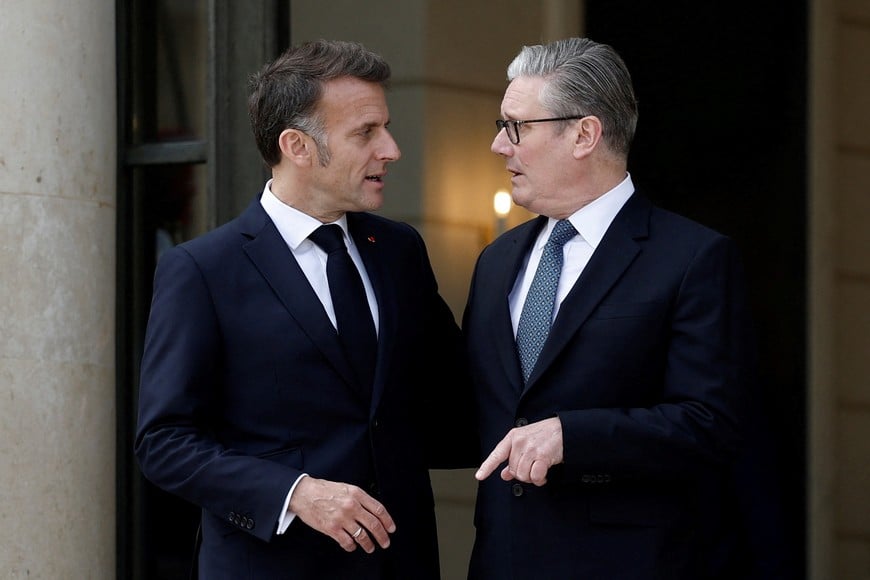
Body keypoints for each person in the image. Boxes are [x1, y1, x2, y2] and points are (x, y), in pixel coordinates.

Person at [135, 39, 472, 579]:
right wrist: (296, 494)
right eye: (365, 132)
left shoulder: (401, 250)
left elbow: (456, 395)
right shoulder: (202, 271)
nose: (390, 148)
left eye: (384, 127)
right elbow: (165, 443)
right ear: (296, 145)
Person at [463, 37, 755, 579]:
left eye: (516, 127)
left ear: (584, 134)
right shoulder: (496, 261)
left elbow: (710, 424)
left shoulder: (692, 258)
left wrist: (573, 436)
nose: (499, 146)